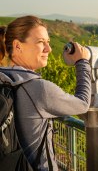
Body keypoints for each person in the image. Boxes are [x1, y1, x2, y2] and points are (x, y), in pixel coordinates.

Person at [0, 15, 91, 170]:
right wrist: (82, 62)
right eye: (40, 42)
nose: (48, 49)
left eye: (48, 42)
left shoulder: (4, 78)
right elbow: (82, 104)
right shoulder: (39, 89)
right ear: (17, 46)